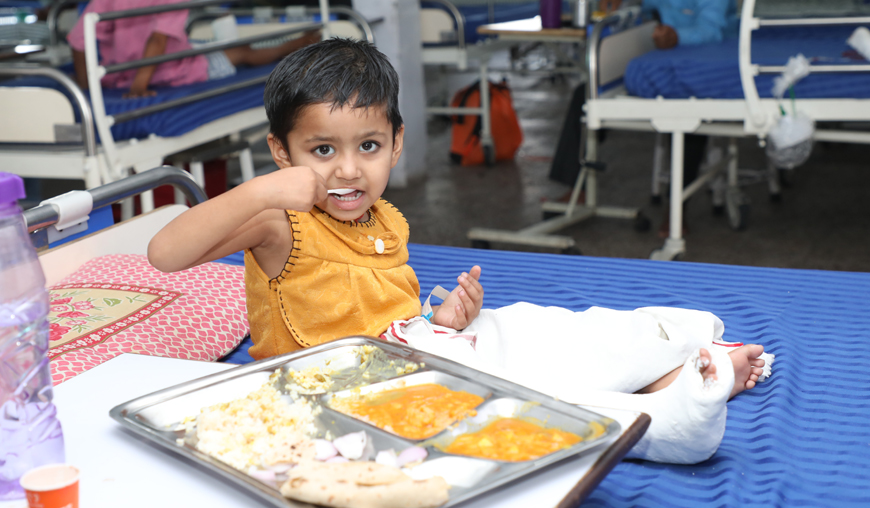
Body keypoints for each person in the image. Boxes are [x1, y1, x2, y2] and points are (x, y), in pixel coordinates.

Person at [148, 38, 772, 464]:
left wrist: (441, 320)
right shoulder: (278, 224)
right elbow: (164, 253)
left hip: (415, 348)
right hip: (343, 395)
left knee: (531, 326)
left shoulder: (382, 218)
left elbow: (384, 314)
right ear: (281, 151)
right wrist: (261, 189)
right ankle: (668, 419)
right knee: (505, 400)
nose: (348, 170)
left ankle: (668, 348)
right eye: (322, 150)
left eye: (368, 146)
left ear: (396, 143)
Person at [550, 0, 738, 235]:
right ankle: (577, 187)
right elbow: (643, 8)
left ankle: (677, 207)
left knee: (687, 112)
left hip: (705, 58)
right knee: (586, 94)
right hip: (662, 55)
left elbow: (712, 31)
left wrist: (677, 36)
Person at [67, 0, 321, 98]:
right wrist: (138, 87)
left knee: (205, 45)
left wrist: (86, 89)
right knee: (242, 51)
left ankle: (294, 44)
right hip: (175, 71)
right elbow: (157, 41)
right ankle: (295, 44)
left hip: (119, 76)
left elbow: (78, 40)